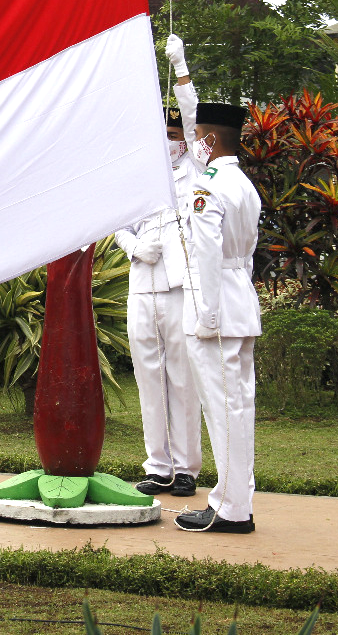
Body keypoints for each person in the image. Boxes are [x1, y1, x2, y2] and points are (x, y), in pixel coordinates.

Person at [115, 34, 205, 498]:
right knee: (148, 376)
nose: (170, 143)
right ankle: (158, 465)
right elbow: (116, 222)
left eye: (174, 138)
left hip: (178, 287)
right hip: (141, 285)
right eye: (164, 137)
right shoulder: (139, 176)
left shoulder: (196, 169)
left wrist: (181, 68)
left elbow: (193, 121)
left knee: (182, 376)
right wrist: (132, 247)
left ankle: (187, 466)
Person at [175, 102, 262, 533]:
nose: (194, 146)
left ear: (209, 141)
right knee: (239, 408)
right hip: (239, 302)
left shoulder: (208, 186)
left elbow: (207, 256)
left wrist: (207, 315)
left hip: (217, 311)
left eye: (197, 138)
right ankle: (238, 497)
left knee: (224, 409)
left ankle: (230, 509)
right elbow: (245, 258)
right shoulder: (243, 184)